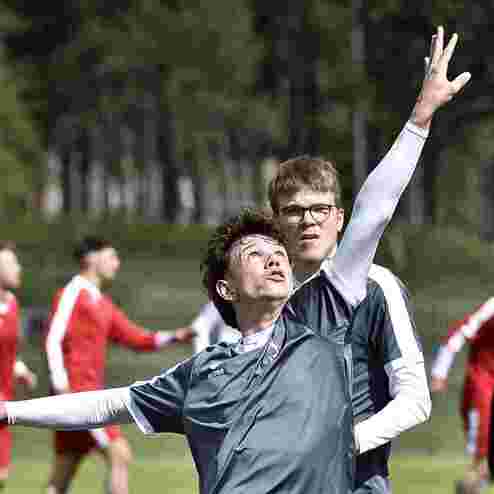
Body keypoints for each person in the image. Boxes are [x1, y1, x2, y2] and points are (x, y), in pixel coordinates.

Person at [0, 26, 469, 494]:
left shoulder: (331, 305)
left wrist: (419, 118)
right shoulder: (206, 372)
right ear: (227, 288)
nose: (277, 256)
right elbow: (109, 405)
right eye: (259, 252)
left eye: (277, 251)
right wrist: (9, 412)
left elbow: (374, 212)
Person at [43, 235, 195, 494]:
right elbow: (52, 339)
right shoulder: (72, 293)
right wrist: (60, 384)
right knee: (119, 453)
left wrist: (176, 336)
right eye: (112, 257)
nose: (117, 263)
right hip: (78, 393)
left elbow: (135, 337)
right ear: (91, 258)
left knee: (65, 468)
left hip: (87, 393)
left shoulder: (103, 303)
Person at [431, 296, 494, 493]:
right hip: (483, 382)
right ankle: (473, 481)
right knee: (481, 448)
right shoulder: (491, 308)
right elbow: (459, 333)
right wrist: (440, 371)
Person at [0, 241, 38, 488]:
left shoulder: (12, 303)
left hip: (4, 404)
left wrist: (21, 370)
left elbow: (8, 352)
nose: (18, 268)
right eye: (11, 263)